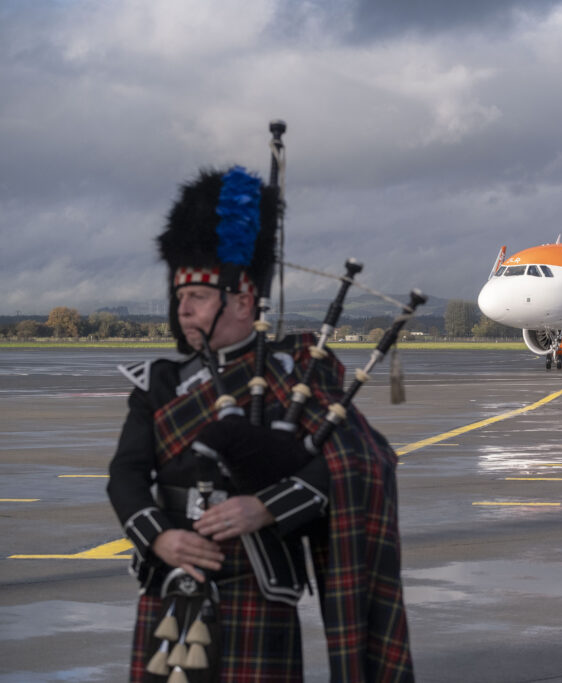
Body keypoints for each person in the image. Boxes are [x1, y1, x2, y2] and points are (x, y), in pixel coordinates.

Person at [107, 166, 414, 682]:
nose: (182, 310)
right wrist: (159, 539)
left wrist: (265, 507)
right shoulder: (157, 383)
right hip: (173, 573)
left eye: (198, 297)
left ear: (244, 301)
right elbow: (126, 475)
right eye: (179, 298)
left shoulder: (294, 373)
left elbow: (358, 462)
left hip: (258, 575)